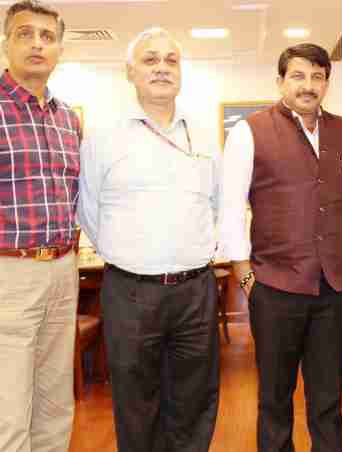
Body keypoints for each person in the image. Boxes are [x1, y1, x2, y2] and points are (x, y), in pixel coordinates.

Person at [77, 27, 221, 452]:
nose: (161, 68)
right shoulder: (104, 136)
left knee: (195, 399)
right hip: (130, 292)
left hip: (196, 290)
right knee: (136, 401)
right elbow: (89, 209)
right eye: (150, 60)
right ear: (130, 72)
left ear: (181, 72)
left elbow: (214, 206)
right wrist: (135, 255)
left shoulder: (203, 135)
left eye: (171, 60)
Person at [220, 43, 342, 452]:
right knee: (274, 400)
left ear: (326, 83)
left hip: (336, 289)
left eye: (317, 77)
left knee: (327, 400)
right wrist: (246, 277)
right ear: (281, 81)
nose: (308, 85)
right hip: (275, 288)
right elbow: (230, 208)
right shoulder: (250, 131)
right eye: (298, 76)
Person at [0, 1, 80, 451]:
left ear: (60, 48)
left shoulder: (67, 119)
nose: (37, 44)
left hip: (63, 274)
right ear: (6, 43)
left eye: (47, 36)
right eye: (25, 34)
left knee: (54, 410)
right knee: (8, 418)